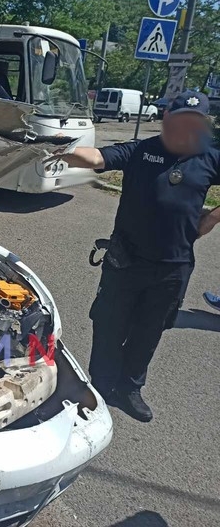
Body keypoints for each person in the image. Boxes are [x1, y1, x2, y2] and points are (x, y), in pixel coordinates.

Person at [59, 90, 220, 422]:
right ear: (166, 119)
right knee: (108, 326)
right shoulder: (141, 150)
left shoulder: (209, 158)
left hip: (173, 268)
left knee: (149, 332)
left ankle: (130, 388)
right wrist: (56, 150)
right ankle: (100, 388)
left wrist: (211, 219)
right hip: (126, 262)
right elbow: (96, 158)